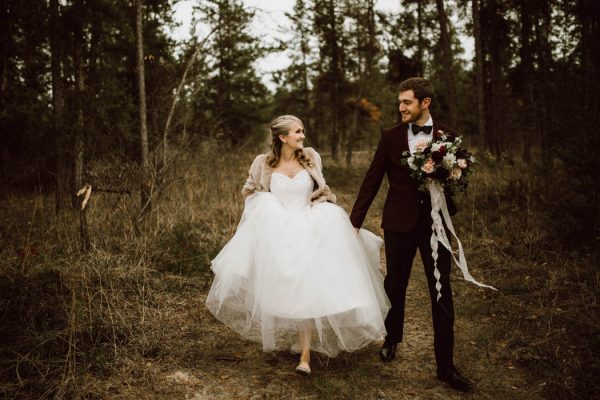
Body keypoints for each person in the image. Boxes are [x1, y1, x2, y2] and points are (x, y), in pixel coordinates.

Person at [205, 115, 390, 375]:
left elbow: (322, 187)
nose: (303, 136)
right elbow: (249, 190)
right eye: (298, 132)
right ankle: (301, 340)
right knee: (288, 286)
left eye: (302, 131)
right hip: (278, 230)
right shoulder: (263, 163)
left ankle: (305, 356)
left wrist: (322, 202)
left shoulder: (311, 156)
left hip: (311, 224)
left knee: (309, 285)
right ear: (283, 137)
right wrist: (265, 206)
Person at [350, 77, 472, 392]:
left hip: (436, 225)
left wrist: (448, 171)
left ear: (424, 103)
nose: (401, 107)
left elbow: (458, 176)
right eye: (400, 102)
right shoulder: (390, 137)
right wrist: (354, 221)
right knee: (395, 283)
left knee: (441, 292)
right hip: (398, 223)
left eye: (407, 102)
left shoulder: (448, 136)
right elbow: (372, 179)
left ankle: (446, 366)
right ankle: (392, 338)